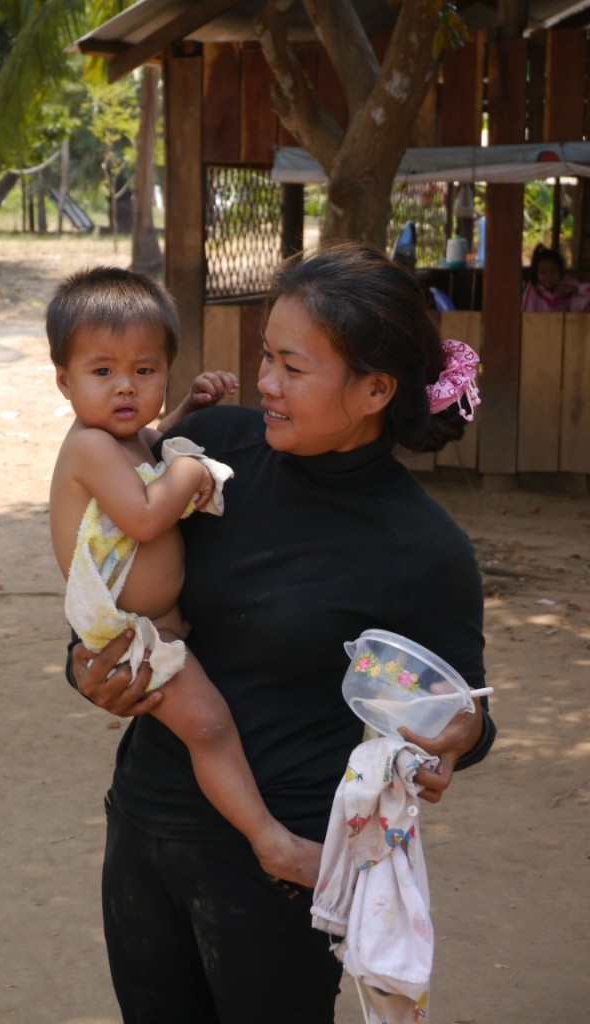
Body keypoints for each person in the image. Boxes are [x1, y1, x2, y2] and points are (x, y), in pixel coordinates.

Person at [67, 244, 497, 1024]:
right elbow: (111, 585)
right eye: (265, 357)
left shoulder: (422, 549)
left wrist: (452, 739)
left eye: (292, 369)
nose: (264, 382)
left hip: (283, 869)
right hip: (144, 828)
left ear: (374, 390)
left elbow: (464, 711)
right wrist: (84, 667)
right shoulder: (212, 451)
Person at [47, 265, 321, 889]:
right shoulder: (89, 447)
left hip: (159, 624)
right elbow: (145, 515)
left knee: (208, 725)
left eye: (145, 372)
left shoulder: (125, 437)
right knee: (210, 726)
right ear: (64, 380)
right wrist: (194, 474)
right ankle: (270, 841)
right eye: (103, 372)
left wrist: (188, 411)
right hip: (131, 636)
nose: (126, 388)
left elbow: (149, 449)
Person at [521, 243, 590, 312]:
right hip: (538, 321)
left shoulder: (567, 282)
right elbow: (526, 312)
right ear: (536, 273)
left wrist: (575, 290)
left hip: (568, 321)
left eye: (553, 271)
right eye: (543, 272)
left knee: (577, 299)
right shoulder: (534, 287)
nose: (548, 276)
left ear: (560, 271)